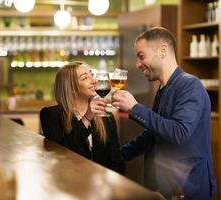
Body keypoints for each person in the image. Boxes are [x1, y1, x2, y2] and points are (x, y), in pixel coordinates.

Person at [111, 27, 217, 199]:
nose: (138, 64)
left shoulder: (190, 85)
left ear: (162, 51)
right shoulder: (164, 88)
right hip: (165, 186)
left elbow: (179, 132)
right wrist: (117, 156)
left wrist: (134, 108)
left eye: (141, 56)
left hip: (187, 188)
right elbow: (154, 133)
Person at [40, 61, 125, 174]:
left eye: (92, 75)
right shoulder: (50, 115)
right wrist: (87, 118)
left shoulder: (107, 117)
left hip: (101, 187)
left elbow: (116, 162)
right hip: (68, 184)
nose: (94, 81)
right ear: (71, 88)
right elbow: (62, 152)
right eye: (85, 78)